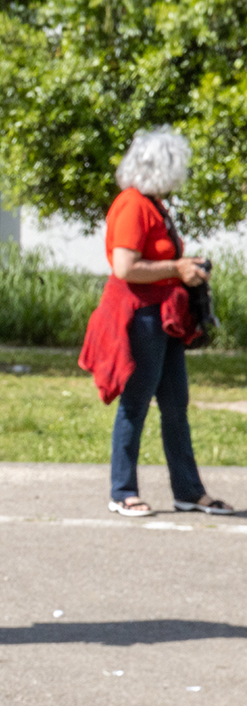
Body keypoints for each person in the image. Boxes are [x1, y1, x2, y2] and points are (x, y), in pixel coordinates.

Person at [79, 126, 235, 518]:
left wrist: (184, 271)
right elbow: (124, 267)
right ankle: (122, 490)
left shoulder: (154, 205)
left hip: (163, 319)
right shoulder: (132, 204)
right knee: (136, 403)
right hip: (140, 317)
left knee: (175, 403)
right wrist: (177, 268)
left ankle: (188, 491)